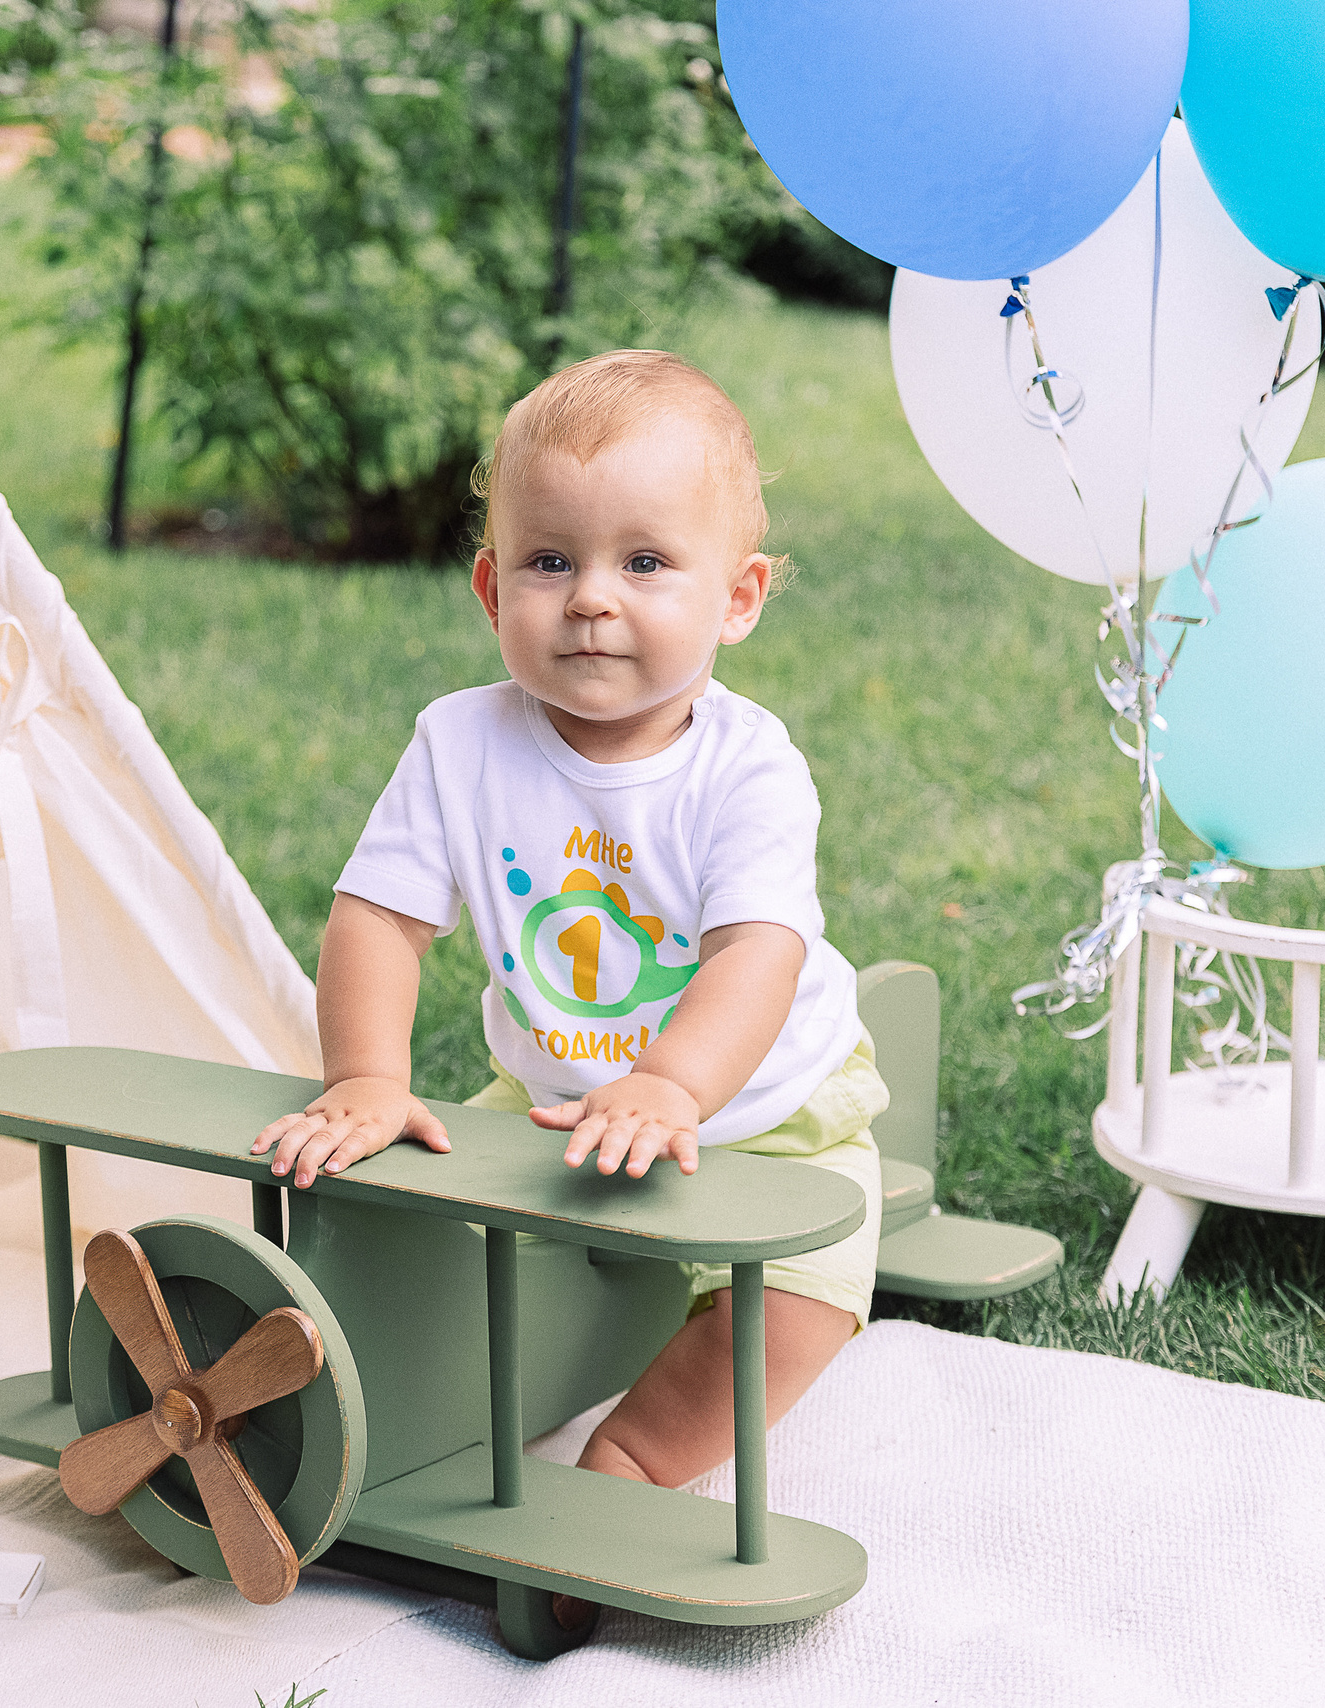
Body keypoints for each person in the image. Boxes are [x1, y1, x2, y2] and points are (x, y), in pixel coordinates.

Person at [251, 347, 884, 1506]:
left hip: (767, 1109)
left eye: (644, 562)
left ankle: (637, 1458)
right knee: (439, 1234)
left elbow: (756, 953)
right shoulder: (459, 743)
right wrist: (366, 1078)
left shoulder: (748, 768)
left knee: (801, 1301)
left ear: (736, 599)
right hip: (554, 1100)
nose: (591, 597)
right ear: (492, 590)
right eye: (551, 561)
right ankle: (403, 1398)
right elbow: (378, 918)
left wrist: (673, 1084)